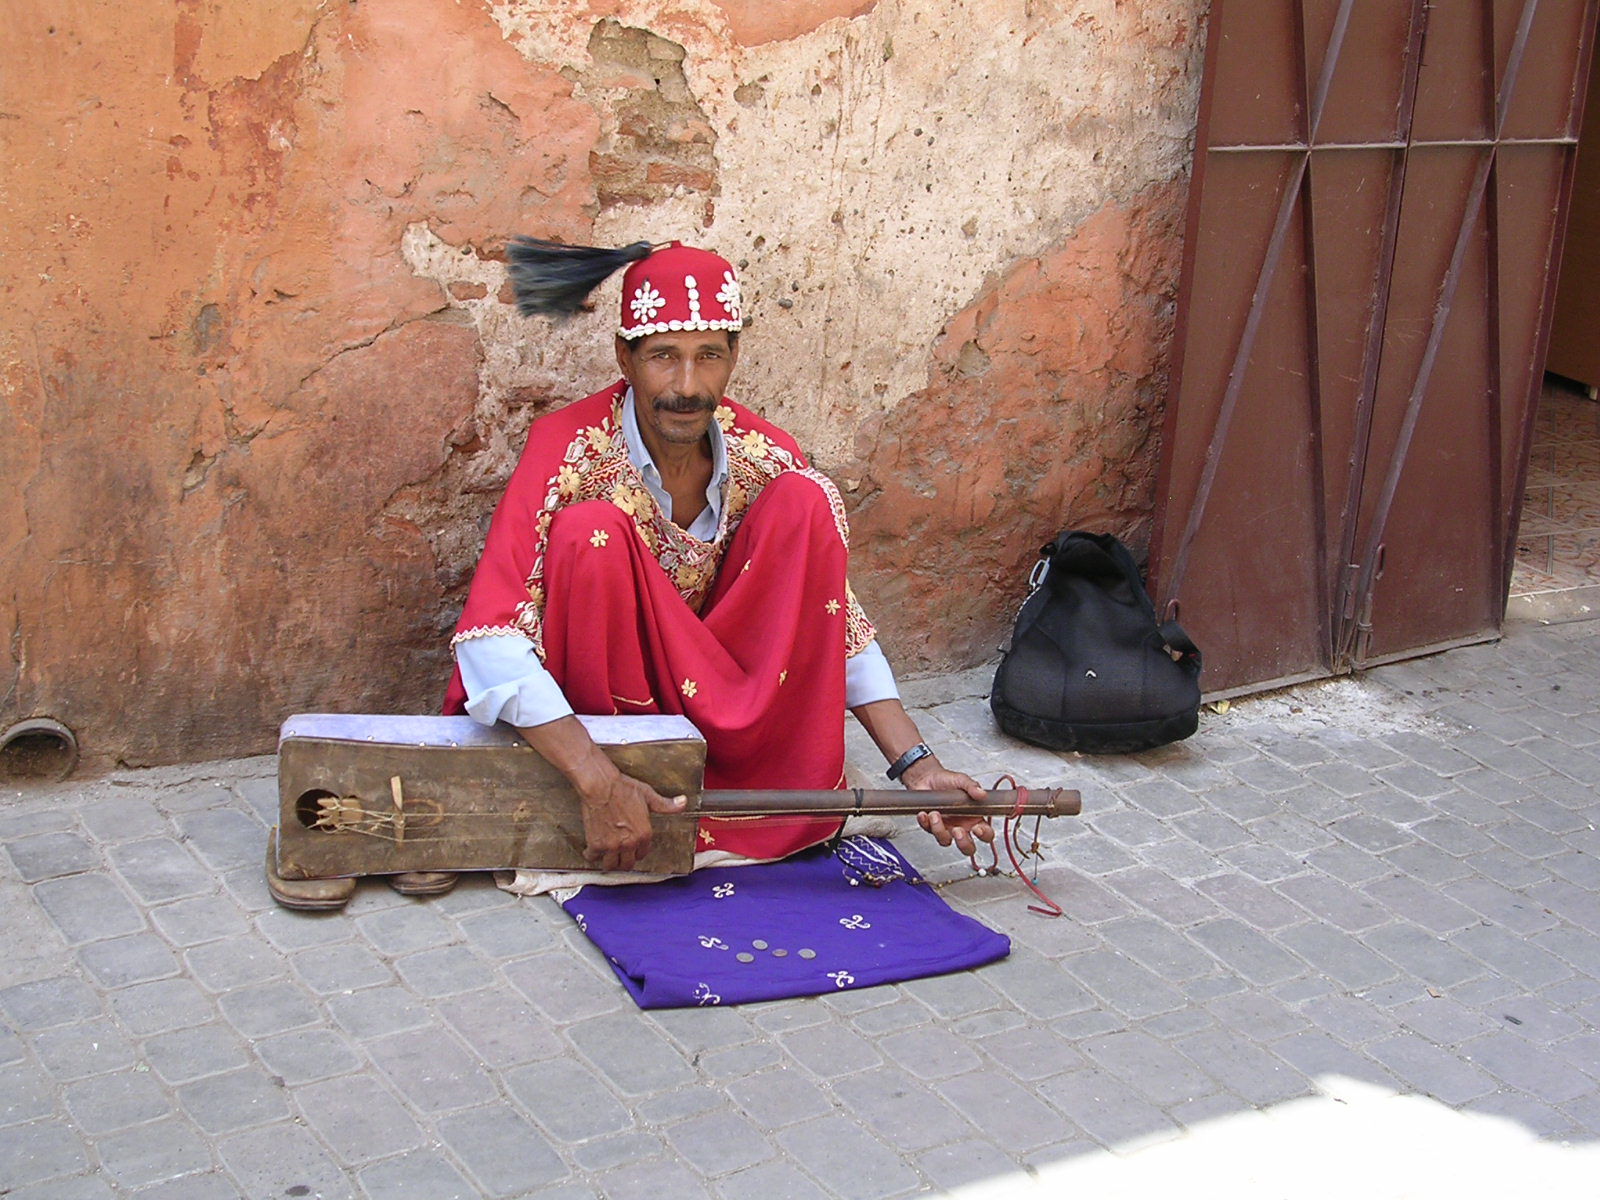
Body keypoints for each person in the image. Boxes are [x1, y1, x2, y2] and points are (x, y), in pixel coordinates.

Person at [407, 242, 992, 895]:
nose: (688, 386)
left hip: (734, 717)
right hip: (612, 734)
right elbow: (492, 642)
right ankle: (620, 799)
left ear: (733, 358)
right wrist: (597, 779)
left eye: (708, 356)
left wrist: (918, 765)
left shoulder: (766, 454)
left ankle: (742, 805)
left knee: (805, 502)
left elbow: (835, 621)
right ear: (625, 358)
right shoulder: (566, 452)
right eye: (664, 357)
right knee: (590, 534)